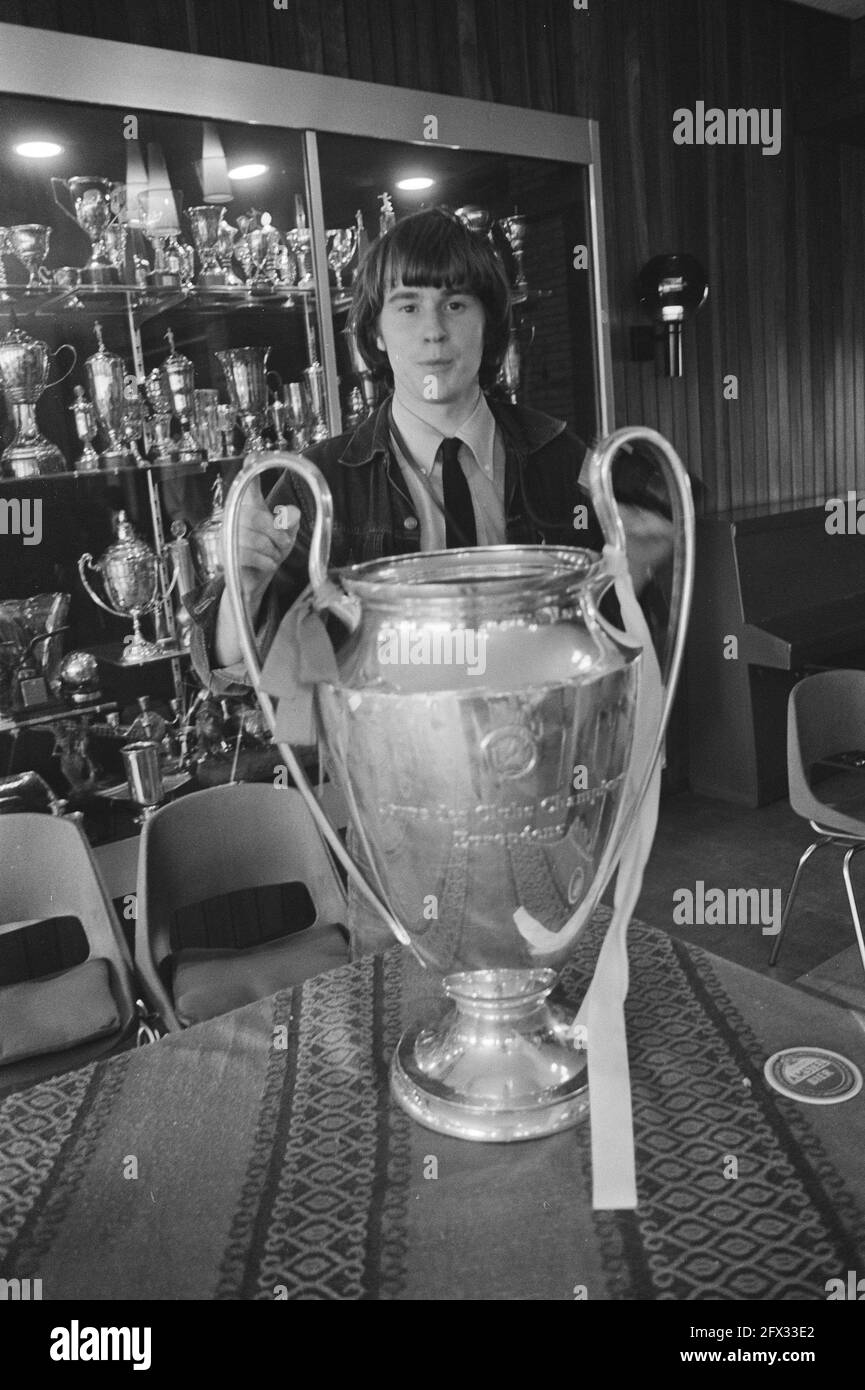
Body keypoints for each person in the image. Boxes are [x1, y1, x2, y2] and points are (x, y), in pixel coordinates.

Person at [189, 207, 674, 951]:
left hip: (547, 801)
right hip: (397, 817)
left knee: (561, 984)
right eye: (406, 306)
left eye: (456, 303)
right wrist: (244, 584)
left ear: (490, 323)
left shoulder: (560, 457)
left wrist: (639, 570)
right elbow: (231, 668)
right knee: (406, 1004)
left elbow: (612, 627)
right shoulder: (319, 480)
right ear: (375, 333)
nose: (433, 331)